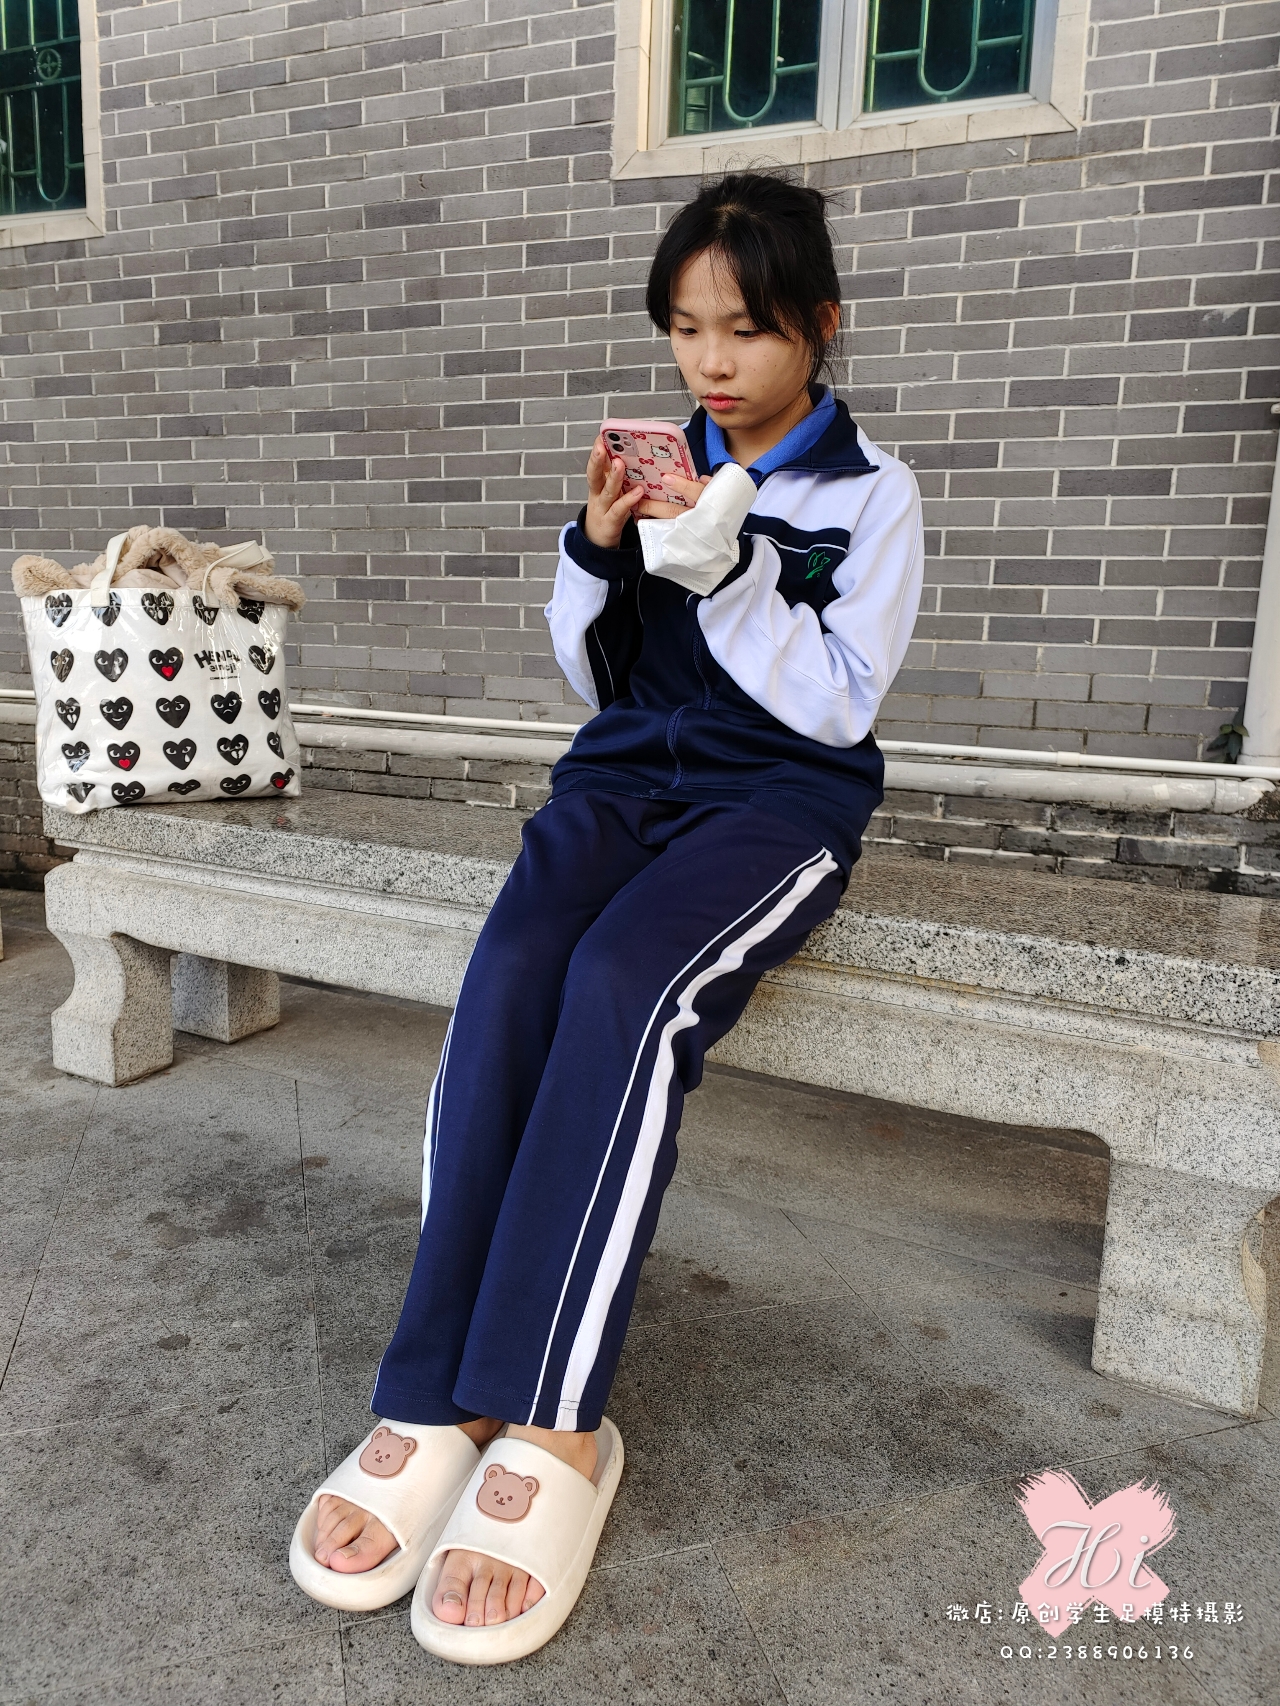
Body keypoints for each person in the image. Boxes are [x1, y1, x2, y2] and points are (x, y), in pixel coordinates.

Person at [289, 171, 925, 1665]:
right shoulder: (664, 461)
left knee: (628, 984)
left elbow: (841, 702)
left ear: (820, 325)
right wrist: (597, 547)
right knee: (518, 965)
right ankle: (441, 1390)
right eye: (687, 329)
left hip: (774, 802)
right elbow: (597, 678)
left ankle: (558, 1418)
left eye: (747, 329)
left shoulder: (869, 494)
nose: (714, 362)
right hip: (622, 779)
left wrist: (730, 570)